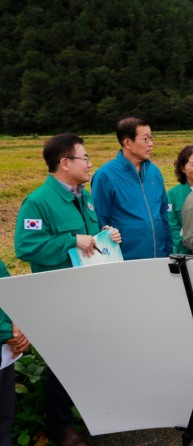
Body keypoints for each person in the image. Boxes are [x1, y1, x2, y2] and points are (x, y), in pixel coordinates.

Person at [15, 133, 122, 446]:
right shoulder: (38, 202)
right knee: (63, 362)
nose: (90, 164)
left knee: (92, 355)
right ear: (65, 163)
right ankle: (61, 426)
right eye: (84, 158)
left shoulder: (83, 196)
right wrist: (70, 240)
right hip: (59, 296)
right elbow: (26, 246)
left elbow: (88, 239)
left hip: (90, 292)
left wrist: (104, 235)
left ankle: (94, 415)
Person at [92, 117, 172, 260]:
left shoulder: (154, 172)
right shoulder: (105, 176)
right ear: (128, 143)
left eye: (151, 138)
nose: (151, 144)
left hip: (159, 256)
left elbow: (163, 215)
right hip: (125, 259)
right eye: (145, 139)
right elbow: (99, 220)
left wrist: (168, 252)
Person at [1, 260, 31, 446]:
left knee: (4, 416)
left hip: (6, 351)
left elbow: (5, 286)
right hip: (7, 338)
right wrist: (10, 333)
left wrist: (18, 321)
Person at [167, 145, 193, 254]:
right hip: (184, 251)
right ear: (183, 168)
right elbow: (172, 225)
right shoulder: (173, 194)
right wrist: (183, 244)